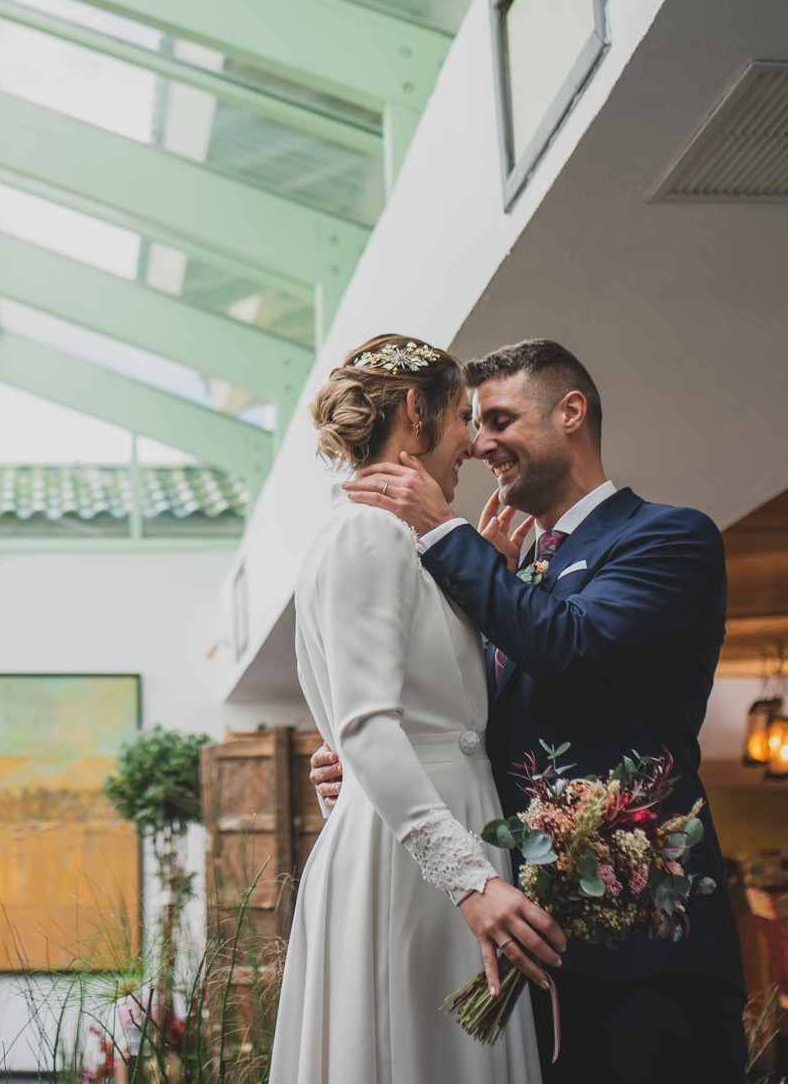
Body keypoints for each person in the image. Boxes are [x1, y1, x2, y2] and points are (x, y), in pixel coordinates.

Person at [315, 339, 748, 1083]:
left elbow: (570, 644)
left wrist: (445, 533)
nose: (482, 444)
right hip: (529, 946)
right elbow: (470, 723)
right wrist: (374, 758)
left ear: (571, 412)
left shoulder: (669, 537)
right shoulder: (505, 572)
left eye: (502, 419)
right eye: (473, 422)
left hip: (650, 944)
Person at [270, 333, 561, 1084]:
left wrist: (478, 575)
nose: (471, 440)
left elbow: (444, 700)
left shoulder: (409, 544)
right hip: (415, 861)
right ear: (414, 411)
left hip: (444, 838)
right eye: (462, 415)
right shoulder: (367, 531)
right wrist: (470, 879)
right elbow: (367, 724)